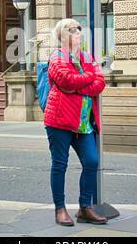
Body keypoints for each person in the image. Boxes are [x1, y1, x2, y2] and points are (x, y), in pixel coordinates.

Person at [44, 18, 108, 226]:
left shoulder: (86, 57)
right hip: (60, 120)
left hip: (83, 123)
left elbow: (100, 83)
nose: (78, 32)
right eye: (72, 29)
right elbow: (65, 80)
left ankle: (85, 208)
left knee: (91, 161)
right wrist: (86, 79)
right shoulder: (56, 57)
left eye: (79, 29)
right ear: (62, 35)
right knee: (60, 164)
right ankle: (60, 209)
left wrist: (79, 86)